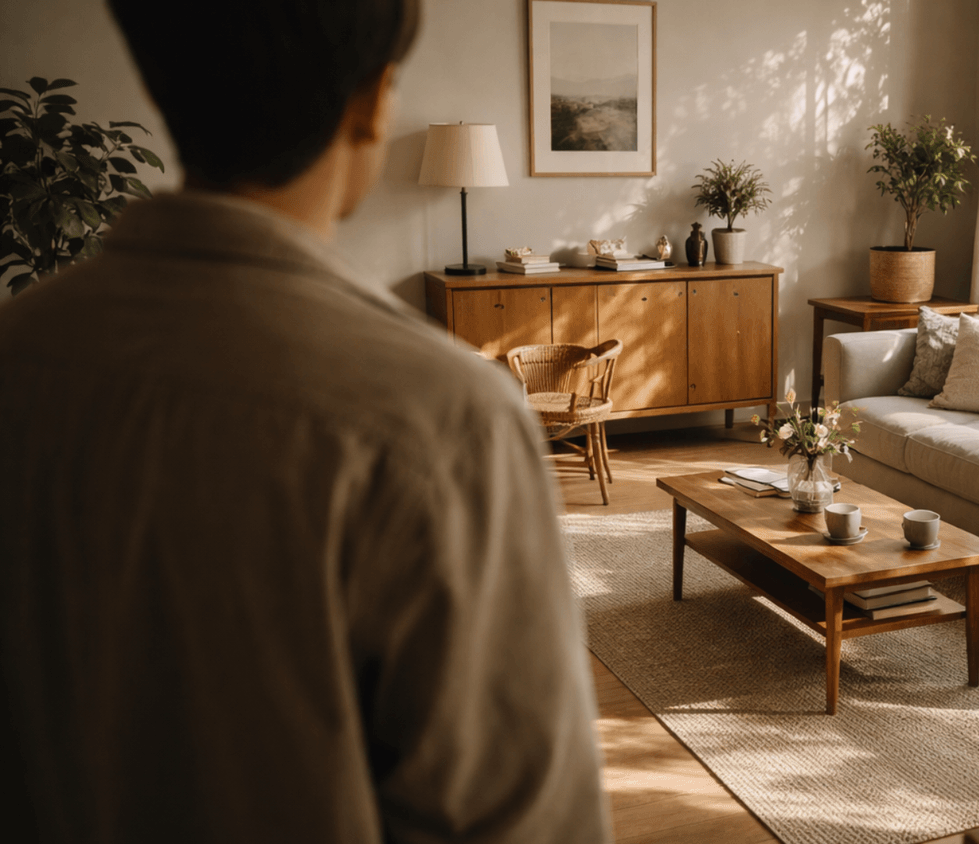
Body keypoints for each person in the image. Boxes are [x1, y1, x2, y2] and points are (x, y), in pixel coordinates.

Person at [0, 0, 610, 841]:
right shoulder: (438, 417)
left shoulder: (21, 350)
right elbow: (524, 822)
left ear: (162, 83)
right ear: (370, 104)